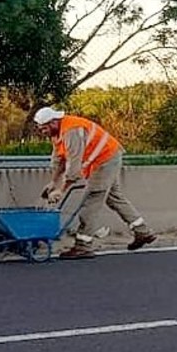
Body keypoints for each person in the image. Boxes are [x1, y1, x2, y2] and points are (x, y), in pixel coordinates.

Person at [33, 107, 156, 259]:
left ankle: (83, 246)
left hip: (105, 160)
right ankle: (143, 232)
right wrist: (53, 182)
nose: (42, 132)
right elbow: (59, 160)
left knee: (91, 201)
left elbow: (73, 165)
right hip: (105, 158)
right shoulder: (56, 133)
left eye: (44, 128)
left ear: (53, 122)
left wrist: (61, 190)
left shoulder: (72, 131)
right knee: (114, 198)